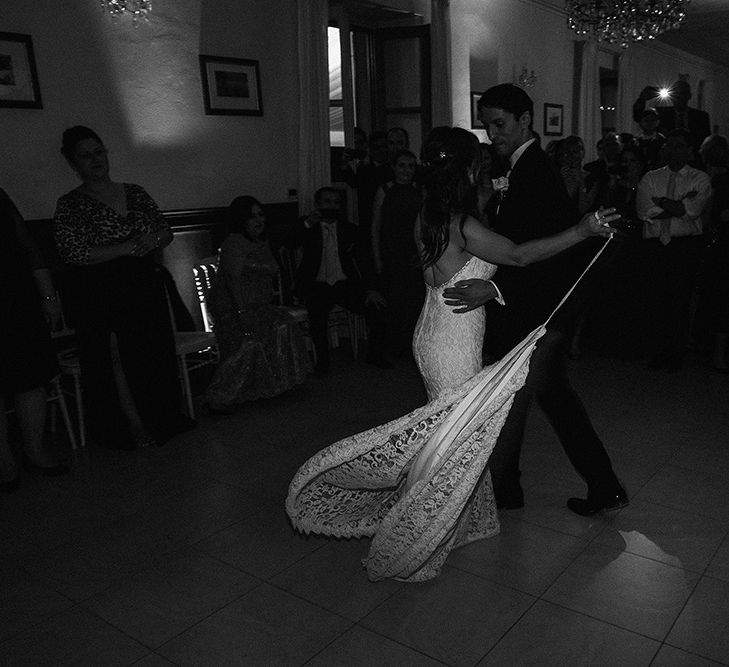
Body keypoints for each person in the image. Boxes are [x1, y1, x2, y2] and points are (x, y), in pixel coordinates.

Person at [286, 126, 617, 582]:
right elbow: (519, 256)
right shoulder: (460, 223)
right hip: (452, 340)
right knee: (453, 438)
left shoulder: (431, 213)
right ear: (467, 169)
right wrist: (581, 229)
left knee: (451, 431)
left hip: (435, 330)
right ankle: (419, 532)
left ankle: (455, 517)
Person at [444, 84, 628, 517]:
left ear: (525, 120)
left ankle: (515, 489)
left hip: (539, 311)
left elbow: (554, 253)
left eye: (499, 123)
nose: (492, 133)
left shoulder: (536, 172)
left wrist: (496, 288)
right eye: (488, 124)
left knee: (516, 401)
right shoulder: (518, 167)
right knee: (549, 398)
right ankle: (592, 486)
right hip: (536, 310)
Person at [53, 125, 195, 449]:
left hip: (143, 282)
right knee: (115, 358)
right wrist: (125, 248)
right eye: (85, 156)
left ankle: (163, 417)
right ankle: (132, 425)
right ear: (74, 163)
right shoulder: (70, 204)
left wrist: (151, 240)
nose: (95, 160)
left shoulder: (135, 192)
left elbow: (165, 230)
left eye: (99, 152)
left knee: (154, 350)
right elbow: (72, 252)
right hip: (99, 289)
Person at [204, 196, 310, 412]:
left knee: (284, 323)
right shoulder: (234, 243)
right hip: (234, 309)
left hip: (257, 306)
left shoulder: (261, 243)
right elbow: (233, 280)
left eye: (260, 215)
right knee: (256, 336)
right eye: (251, 216)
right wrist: (242, 312)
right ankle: (223, 395)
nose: (258, 220)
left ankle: (279, 385)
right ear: (241, 220)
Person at [1, 188, 69, 492]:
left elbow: (29, 247)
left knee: (31, 376)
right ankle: (4, 464)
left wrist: (49, 296)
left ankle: (35, 451)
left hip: (16, 298)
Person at [636, 129, 712, 371]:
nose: (674, 150)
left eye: (680, 145)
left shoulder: (699, 178)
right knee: (656, 299)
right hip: (656, 246)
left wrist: (662, 203)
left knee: (679, 300)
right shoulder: (650, 177)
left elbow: (693, 210)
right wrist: (678, 205)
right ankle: (655, 352)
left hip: (684, 247)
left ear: (689, 150)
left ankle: (675, 355)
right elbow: (644, 212)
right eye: (670, 145)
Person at [293, 186, 388, 373]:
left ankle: (375, 355)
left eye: (336, 202)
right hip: (317, 285)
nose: (332, 206)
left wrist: (371, 288)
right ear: (318, 204)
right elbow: (289, 240)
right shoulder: (308, 227)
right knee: (316, 312)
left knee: (377, 306)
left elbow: (363, 260)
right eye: (327, 202)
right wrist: (308, 224)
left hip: (344, 284)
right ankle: (323, 361)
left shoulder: (349, 229)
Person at [371, 149, 424, 358]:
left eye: (411, 166)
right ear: (393, 167)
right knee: (393, 301)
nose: (406, 170)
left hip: (414, 253)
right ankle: (390, 349)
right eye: (402, 165)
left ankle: (411, 349)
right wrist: (376, 256)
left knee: (414, 302)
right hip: (391, 252)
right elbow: (375, 226)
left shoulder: (420, 190)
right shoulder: (384, 190)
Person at [632, 80, 711, 158]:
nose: (679, 97)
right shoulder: (661, 113)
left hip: (693, 158)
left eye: (682, 93)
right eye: (676, 94)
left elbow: (705, 142)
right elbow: (639, 118)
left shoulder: (700, 117)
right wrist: (642, 99)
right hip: (666, 158)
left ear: (689, 96)